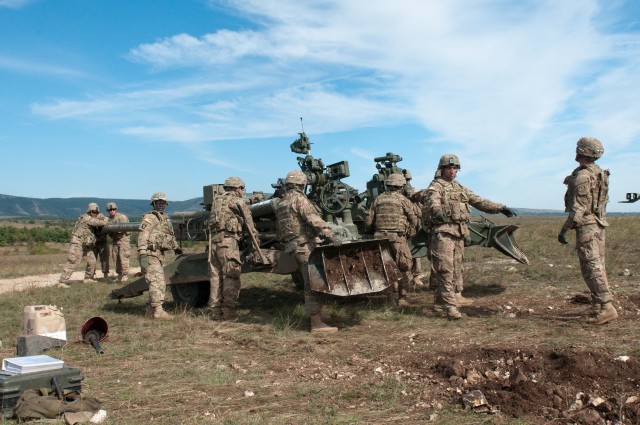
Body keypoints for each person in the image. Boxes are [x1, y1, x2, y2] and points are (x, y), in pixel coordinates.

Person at [424, 154, 516, 320]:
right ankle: (450, 307)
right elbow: (432, 202)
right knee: (445, 269)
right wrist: (437, 212)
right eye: (449, 168)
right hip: (443, 233)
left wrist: (500, 208)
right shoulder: (436, 186)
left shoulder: (460, 188)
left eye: (455, 168)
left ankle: (441, 302)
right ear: (442, 169)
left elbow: (479, 201)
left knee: (456, 269)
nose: (452, 171)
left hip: (459, 233)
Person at [558, 137, 616, 324]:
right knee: (597, 264)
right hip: (598, 223)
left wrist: (565, 229)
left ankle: (606, 307)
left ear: (582, 151)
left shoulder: (584, 175)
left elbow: (579, 207)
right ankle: (598, 305)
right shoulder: (597, 173)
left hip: (587, 225)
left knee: (592, 266)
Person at [274, 170, 339, 333]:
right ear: (301, 185)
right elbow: (313, 219)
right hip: (305, 246)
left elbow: (279, 231)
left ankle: (319, 315)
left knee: (311, 282)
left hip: (293, 247)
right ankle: (316, 322)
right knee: (313, 283)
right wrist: (330, 234)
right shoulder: (299, 199)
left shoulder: (282, 203)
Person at [206, 177, 259, 320]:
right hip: (228, 243)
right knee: (231, 276)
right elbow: (249, 224)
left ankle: (214, 312)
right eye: (242, 189)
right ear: (237, 188)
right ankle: (229, 313)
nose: (243, 192)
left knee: (216, 278)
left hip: (214, 244)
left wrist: (252, 199)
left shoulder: (217, 201)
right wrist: (255, 243)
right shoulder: (237, 201)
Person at [365, 173, 419, 308]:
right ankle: (402, 297)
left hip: (380, 239)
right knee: (404, 267)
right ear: (401, 186)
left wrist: (371, 231)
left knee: (385, 267)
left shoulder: (377, 200)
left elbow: (368, 221)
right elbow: (414, 219)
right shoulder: (403, 200)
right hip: (398, 239)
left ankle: (390, 298)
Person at [138, 192, 181, 320]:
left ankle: (150, 311)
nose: (161, 205)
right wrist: (142, 254)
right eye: (158, 203)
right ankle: (158, 311)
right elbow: (143, 235)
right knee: (158, 283)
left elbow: (169, 236)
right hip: (150, 254)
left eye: (163, 203)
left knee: (155, 282)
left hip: (159, 255)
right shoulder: (150, 218)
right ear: (154, 203)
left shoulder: (164, 218)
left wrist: (176, 247)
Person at [58, 203, 109, 288]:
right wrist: (105, 219)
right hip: (78, 243)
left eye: (97, 212)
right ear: (89, 211)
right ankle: (62, 282)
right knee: (73, 261)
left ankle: (88, 278)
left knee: (92, 260)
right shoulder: (86, 218)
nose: (95, 214)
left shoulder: (89, 217)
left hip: (85, 244)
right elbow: (99, 223)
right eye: (93, 212)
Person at [403, 169, 425, 288]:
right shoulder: (400, 198)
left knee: (416, 254)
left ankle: (416, 277)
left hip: (415, 230)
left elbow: (420, 212)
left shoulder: (415, 197)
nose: (408, 183)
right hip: (404, 231)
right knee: (405, 255)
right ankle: (407, 278)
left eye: (408, 180)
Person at [106, 202, 131, 282]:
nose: (112, 211)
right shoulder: (109, 219)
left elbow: (126, 229)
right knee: (116, 258)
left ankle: (125, 275)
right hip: (115, 241)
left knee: (123, 258)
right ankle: (119, 275)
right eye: (110, 210)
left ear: (115, 209)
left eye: (113, 209)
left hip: (123, 240)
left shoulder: (122, 217)